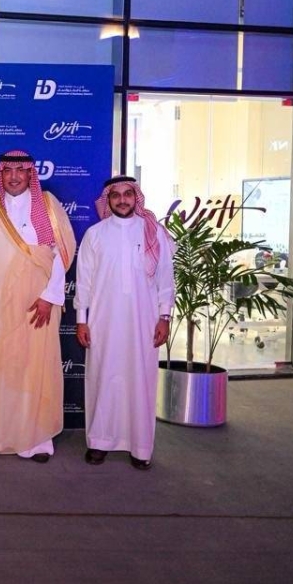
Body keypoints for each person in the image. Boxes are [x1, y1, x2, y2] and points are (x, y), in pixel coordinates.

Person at [0, 150, 76, 463]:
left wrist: (49, 296)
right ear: (0, 175)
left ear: (31, 174)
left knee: (33, 369)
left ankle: (36, 439)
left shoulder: (48, 204)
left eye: (20, 170)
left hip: (35, 303)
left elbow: (62, 253)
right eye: (8, 171)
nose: (14, 177)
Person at [75, 176, 176, 470]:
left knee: (140, 381)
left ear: (136, 197)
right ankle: (99, 442)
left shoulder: (153, 233)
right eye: (116, 195)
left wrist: (165, 317)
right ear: (108, 199)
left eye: (128, 194)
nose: (122, 199)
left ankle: (140, 446)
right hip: (103, 322)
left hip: (144, 322)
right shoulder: (95, 234)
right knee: (102, 378)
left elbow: (165, 279)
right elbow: (84, 282)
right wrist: (81, 321)